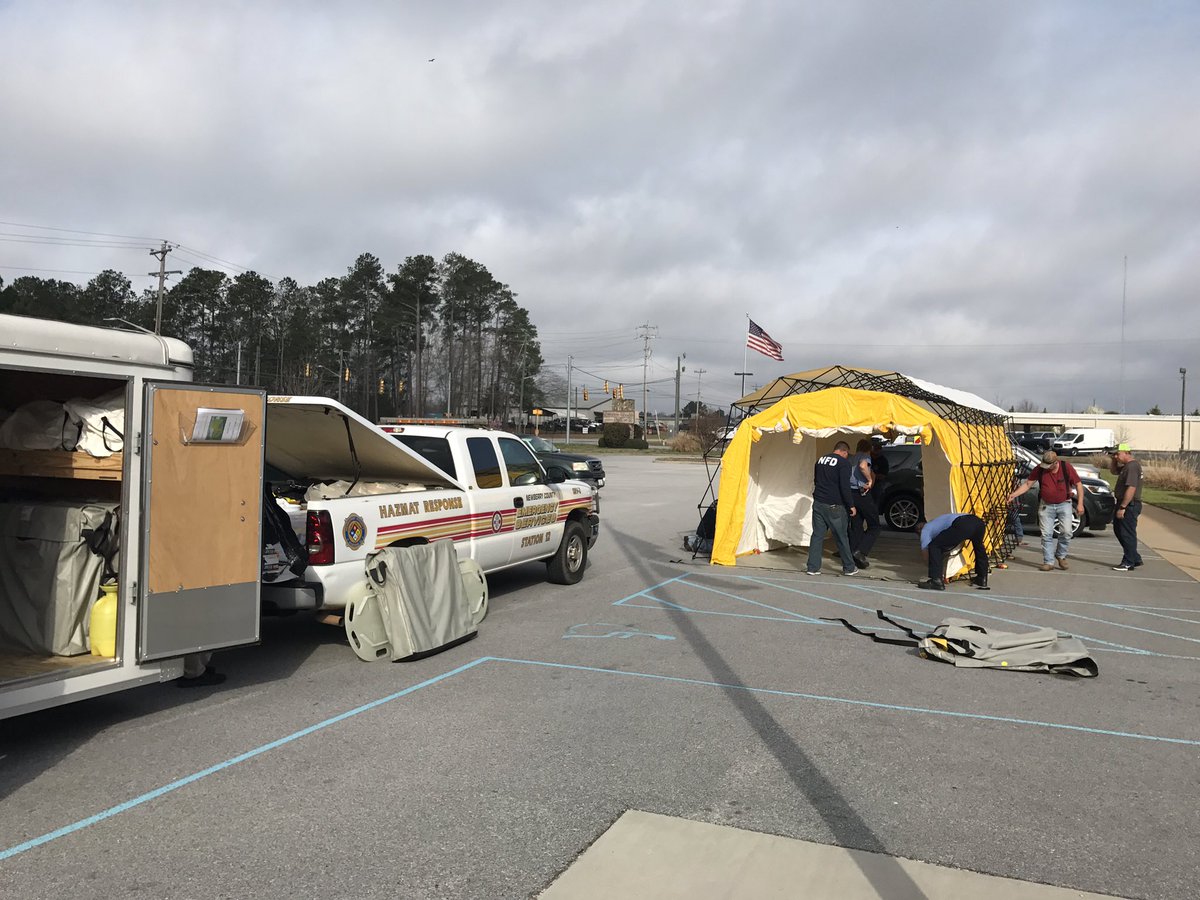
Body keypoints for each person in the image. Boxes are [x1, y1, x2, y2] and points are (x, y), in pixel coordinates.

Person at [1006, 450, 1083, 572]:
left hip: (1065, 504)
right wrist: (1014, 495)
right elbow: (1027, 484)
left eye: (1049, 466)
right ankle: (1048, 562)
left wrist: (1080, 504)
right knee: (1046, 534)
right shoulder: (1039, 469)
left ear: (1055, 463)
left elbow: (1078, 485)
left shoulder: (1066, 467)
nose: (1046, 468)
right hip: (1046, 505)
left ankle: (1061, 555)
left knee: (1067, 532)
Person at [806, 440, 859, 577]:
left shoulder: (820, 460)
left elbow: (816, 480)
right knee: (841, 536)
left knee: (817, 535)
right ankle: (849, 567)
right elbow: (844, 487)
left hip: (818, 502)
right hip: (834, 505)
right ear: (844, 451)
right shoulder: (843, 463)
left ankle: (812, 567)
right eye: (847, 454)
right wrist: (851, 505)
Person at [915, 513, 989, 591]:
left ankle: (936, 581)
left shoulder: (925, 530)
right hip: (977, 522)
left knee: (934, 546)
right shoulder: (936, 521)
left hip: (963, 524)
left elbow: (925, 552)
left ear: (919, 529)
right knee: (979, 547)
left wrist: (933, 567)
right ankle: (982, 578)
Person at [1109, 443, 1144, 571]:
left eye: (1118, 454)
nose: (1116, 456)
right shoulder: (1126, 466)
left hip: (1130, 504)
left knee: (1126, 533)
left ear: (1127, 453)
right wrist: (1113, 460)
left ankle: (1129, 562)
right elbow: (1113, 471)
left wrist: (1123, 506)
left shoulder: (1132, 467)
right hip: (1124, 503)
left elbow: (1132, 487)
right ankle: (1135, 557)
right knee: (1119, 530)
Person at [847, 438, 880, 569]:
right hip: (862, 493)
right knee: (875, 526)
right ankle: (860, 551)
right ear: (869, 448)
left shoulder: (852, 458)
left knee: (856, 525)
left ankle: (852, 555)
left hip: (851, 493)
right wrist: (869, 480)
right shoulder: (865, 456)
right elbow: (863, 465)